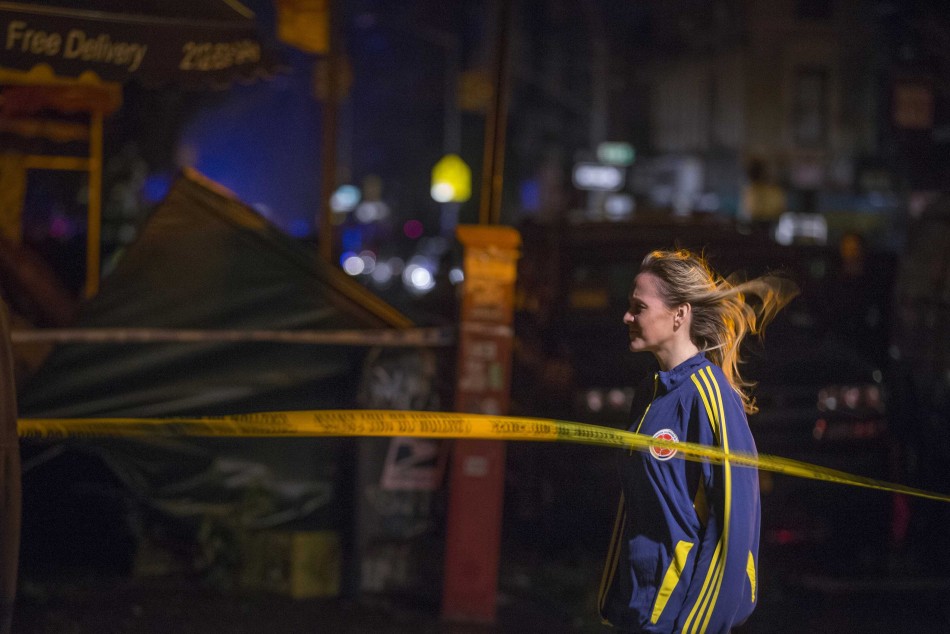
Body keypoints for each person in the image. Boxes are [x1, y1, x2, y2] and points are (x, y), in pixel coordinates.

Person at [598, 249, 797, 633]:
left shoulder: (709, 395)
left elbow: (734, 525)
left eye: (639, 307)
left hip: (679, 620)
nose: (627, 317)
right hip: (638, 615)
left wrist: (697, 625)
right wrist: (615, 600)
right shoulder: (649, 393)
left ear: (679, 315)